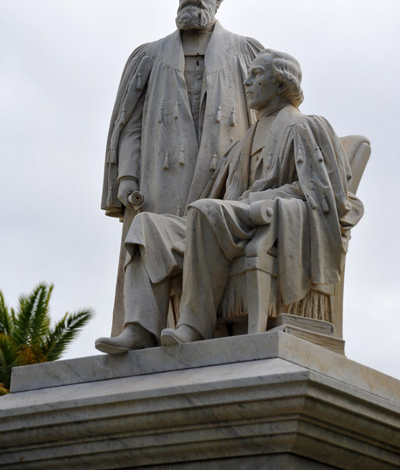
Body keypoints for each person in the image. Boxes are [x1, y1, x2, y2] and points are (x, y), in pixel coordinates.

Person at [95, 50, 364, 353]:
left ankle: (193, 328)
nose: (246, 82)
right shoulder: (242, 145)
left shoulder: (307, 126)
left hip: (265, 221)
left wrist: (260, 201)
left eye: (256, 74)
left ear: (281, 83)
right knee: (148, 227)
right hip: (226, 222)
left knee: (204, 211)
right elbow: (217, 198)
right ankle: (140, 329)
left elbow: (323, 194)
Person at [102, 0, 264, 336]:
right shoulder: (149, 55)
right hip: (162, 182)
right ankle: (142, 330)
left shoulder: (246, 51)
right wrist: (127, 175)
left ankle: (207, 328)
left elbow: (266, 117)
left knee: (208, 241)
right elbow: (133, 124)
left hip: (225, 179)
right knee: (148, 238)